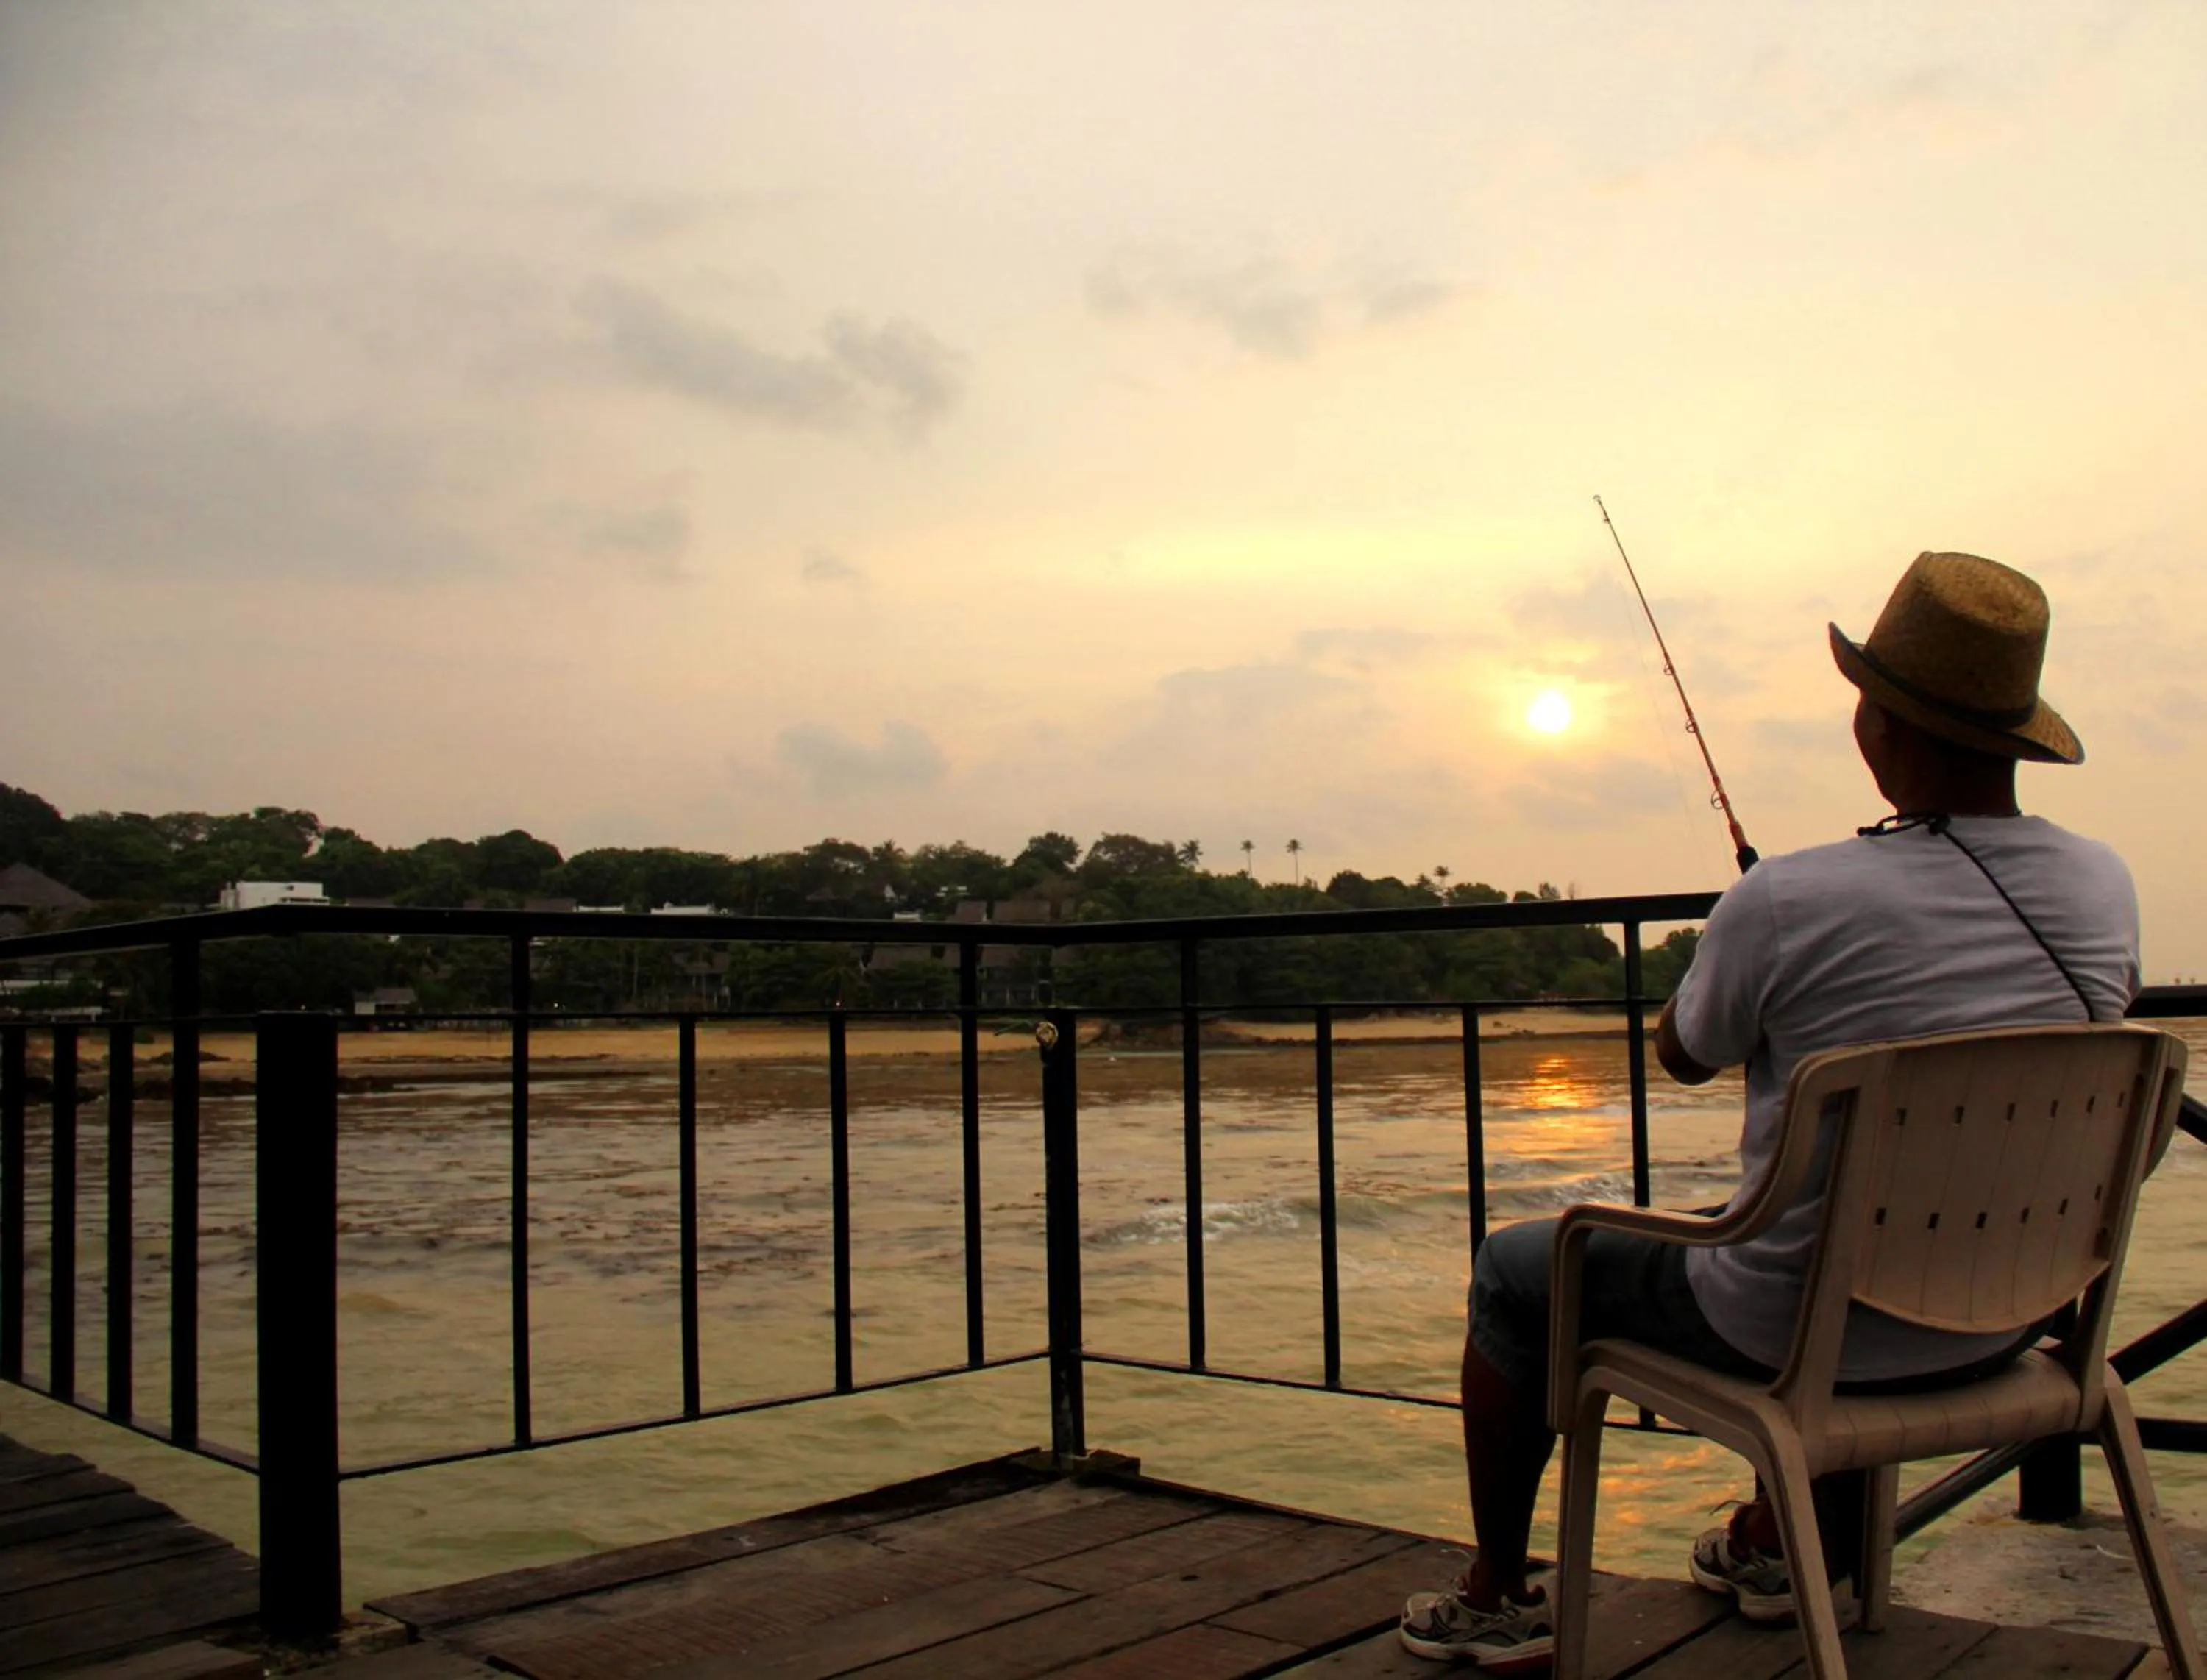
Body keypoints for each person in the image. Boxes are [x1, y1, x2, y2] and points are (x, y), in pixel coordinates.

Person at [1400, 552, 2141, 1667]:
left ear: (1877, 724)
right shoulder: (2107, 887)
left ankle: (1498, 1594)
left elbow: (1686, 1053)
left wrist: (1740, 923)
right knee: (1828, 1237)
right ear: (2017, 734)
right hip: (2019, 1322)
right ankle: (1774, 1547)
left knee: (1522, 1267)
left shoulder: (1792, 896)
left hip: (1811, 1336)